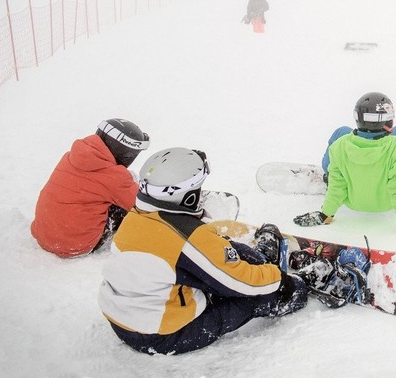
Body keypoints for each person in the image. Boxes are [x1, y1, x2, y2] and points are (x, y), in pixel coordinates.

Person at [98, 147, 307, 355]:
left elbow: (198, 247)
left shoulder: (136, 218)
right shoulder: (188, 239)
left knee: (220, 249)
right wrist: (283, 281)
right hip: (164, 335)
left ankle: (262, 261)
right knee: (257, 297)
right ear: (187, 197)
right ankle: (299, 286)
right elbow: (241, 284)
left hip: (124, 320)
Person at [294, 92, 396, 241]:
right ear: (387, 121)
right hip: (387, 202)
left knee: (342, 131)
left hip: (353, 201)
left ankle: (330, 175)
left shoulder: (340, 145)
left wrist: (325, 215)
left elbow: (337, 185)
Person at [30, 118, 150, 257]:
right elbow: (143, 204)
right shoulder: (114, 177)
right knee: (127, 205)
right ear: (125, 153)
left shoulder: (72, 156)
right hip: (75, 245)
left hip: (43, 235)